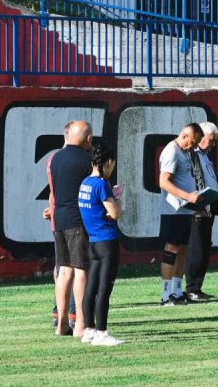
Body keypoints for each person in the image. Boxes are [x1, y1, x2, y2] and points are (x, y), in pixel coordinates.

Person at [50, 120, 93, 337]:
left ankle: (61, 323)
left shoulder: (55, 158)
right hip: (78, 220)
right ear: (89, 138)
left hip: (59, 219)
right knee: (81, 270)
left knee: (64, 270)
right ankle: (81, 324)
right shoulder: (87, 159)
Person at [78, 143, 124, 346]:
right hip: (107, 241)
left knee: (91, 288)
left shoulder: (85, 183)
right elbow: (114, 213)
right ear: (109, 162)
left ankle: (88, 329)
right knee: (104, 289)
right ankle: (102, 333)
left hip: (93, 242)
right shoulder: (101, 184)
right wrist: (117, 199)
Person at [158, 123, 204, 306]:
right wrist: (187, 196)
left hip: (186, 209)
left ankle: (177, 291)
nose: (193, 147)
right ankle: (165, 294)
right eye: (193, 142)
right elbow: (164, 182)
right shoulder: (172, 151)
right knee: (171, 249)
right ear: (185, 135)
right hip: (173, 210)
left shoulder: (185, 152)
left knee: (183, 250)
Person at [185, 122, 218, 301]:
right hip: (198, 209)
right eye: (211, 140)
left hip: (209, 207)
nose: (213, 144)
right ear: (201, 137)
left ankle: (197, 287)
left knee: (204, 248)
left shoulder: (205, 156)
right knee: (196, 249)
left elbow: (208, 179)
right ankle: (191, 288)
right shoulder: (192, 155)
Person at [45, 121, 76, 330]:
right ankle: (72, 314)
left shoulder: (53, 159)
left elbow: (53, 192)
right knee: (76, 268)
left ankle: (59, 312)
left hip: (58, 219)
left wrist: (52, 209)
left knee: (61, 267)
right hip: (72, 219)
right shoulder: (77, 158)